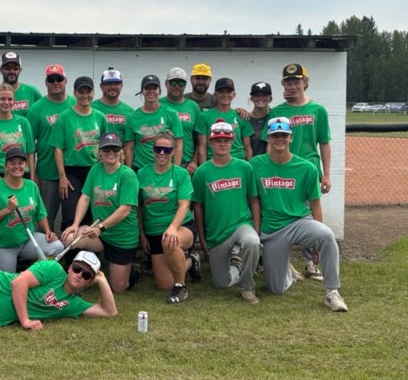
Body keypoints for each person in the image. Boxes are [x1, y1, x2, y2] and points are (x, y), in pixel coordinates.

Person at [251, 117, 347, 312]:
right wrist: (257, 230)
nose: (280, 139)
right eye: (275, 135)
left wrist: (316, 241)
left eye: (284, 135)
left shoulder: (307, 168)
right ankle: (286, 271)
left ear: (291, 138)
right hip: (272, 229)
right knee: (275, 289)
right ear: (268, 138)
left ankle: (332, 292)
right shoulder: (255, 165)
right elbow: (255, 201)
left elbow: (315, 204)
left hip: (300, 222)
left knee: (326, 235)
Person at [264, 63, 332, 280]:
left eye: (296, 82)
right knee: (287, 210)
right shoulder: (277, 111)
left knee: (309, 213)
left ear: (305, 82)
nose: (292, 86)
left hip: (309, 167)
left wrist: (327, 173)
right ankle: (283, 259)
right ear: (283, 85)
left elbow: (324, 142)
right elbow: (270, 142)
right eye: (288, 82)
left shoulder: (317, 110)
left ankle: (311, 261)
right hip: (284, 169)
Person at [190, 121, 262, 304]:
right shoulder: (202, 172)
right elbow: (197, 206)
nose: (222, 144)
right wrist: (203, 239)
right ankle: (237, 263)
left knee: (252, 242)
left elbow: (253, 199)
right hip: (217, 233)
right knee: (220, 284)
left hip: (240, 224)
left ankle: (247, 287)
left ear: (232, 142)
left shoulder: (245, 167)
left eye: (226, 140)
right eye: (217, 140)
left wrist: (256, 228)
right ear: (210, 143)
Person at [62, 132, 140, 293]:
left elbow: (124, 210)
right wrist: (76, 224)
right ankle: (81, 273)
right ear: (100, 152)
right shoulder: (95, 169)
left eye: (114, 148)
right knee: (70, 237)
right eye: (106, 149)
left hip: (122, 238)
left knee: (118, 288)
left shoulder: (128, 175)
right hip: (101, 235)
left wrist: (100, 228)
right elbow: (85, 197)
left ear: (120, 151)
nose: (110, 152)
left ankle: (133, 271)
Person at [137, 132, 199, 304]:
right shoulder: (142, 173)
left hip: (181, 227)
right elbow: (139, 208)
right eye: (158, 149)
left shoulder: (181, 174)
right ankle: (191, 261)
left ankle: (181, 287)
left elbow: (184, 205)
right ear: (153, 150)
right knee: (164, 284)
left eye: (166, 149)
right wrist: (142, 235)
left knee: (170, 241)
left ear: (173, 151)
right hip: (154, 231)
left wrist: (172, 227)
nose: (162, 153)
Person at [0, 146, 64, 271]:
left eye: (20, 163)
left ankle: (34, 271)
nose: (16, 166)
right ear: (5, 167)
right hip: (4, 245)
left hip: (28, 240)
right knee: (7, 283)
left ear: (26, 166)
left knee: (57, 247)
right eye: (12, 163)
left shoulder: (31, 186)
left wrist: (47, 231)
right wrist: (7, 210)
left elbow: (40, 213)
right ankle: (18, 266)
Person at [53, 76, 107, 233]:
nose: (85, 95)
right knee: (70, 215)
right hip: (72, 172)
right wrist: (62, 177)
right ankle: (70, 255)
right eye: (81, 92)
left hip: (94, 170)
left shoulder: (100, 117)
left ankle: (89, 255)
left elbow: (106, 147)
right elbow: (57, 149)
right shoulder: (64, 117)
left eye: (88, 91)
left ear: (93, 93)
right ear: (75, 93)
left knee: (92, 215)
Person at [27, 64, 74, 231]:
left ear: (65, 81)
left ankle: (72, 256)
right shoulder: (37, 108)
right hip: (47, 173)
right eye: (51, 79)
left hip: (73, 173)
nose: (55, 82)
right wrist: (33, 176)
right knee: (45, 221)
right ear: (46, 83)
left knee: (72, 219)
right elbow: (29, 147)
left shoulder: (75, 103)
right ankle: (43, 255)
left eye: (59, 79)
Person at [0, 83, 36, 182]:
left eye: (10, 99)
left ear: (14, 101)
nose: (6, 102)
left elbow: (30, 152)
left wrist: (32, 178)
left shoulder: (23, 122)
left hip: (22, 174)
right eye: (2, 99)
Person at [124, 75, 183, 172]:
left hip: (165, 169)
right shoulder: (132, 117)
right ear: (142, 91)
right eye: (147, 88)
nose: (151, 91)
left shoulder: (171, 114)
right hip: (141, 169)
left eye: (154, 88)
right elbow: (129, 149)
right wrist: (129, 172)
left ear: (159, 92)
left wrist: (175, 171)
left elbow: (178, 146)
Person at [194, 77, 253, 164]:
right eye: (221, 92)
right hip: (214, 162)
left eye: (228, 92)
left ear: (234, 94)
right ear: (215, 94)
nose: (225, 95)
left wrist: (248, 168)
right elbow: (202, 147)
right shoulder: (204, 116)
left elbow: (247, 148)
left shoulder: (241, 116)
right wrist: (204, 169)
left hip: (238, 162)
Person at [159, 67, 204, 175]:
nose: (177, 86)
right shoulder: (158, 104)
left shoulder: (193, 106)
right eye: (173, 82)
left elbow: (200, 139)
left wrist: (194, 161)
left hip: (187, 164)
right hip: (160, 160)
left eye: (181, 83)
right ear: (166, 84)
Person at [0, 51, 42, 120]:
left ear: (20, 70)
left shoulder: (32, 92)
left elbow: (42, 116)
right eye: (7, 68)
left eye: (15, 68)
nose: (12, 71)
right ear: (1, 70)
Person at [92, 67, 133, 141]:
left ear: (121, 86)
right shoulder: (91, 108)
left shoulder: (129, 112)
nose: (113, 87)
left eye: (116, 83)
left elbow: (129, 143)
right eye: (109, 83)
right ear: (101, 87)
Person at [246, 81, 273, 157]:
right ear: (251, 98)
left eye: (265, 95)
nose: (260, 98)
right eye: (257, 95)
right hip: (252, 163)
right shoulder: (245, 118)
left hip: (271, 164)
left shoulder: (274, 117)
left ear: (270, 98)